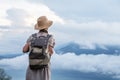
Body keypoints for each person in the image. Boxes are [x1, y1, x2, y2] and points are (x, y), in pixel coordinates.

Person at [22, 16, 55, 80]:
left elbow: (24, 50)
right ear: (47, 27)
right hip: (44, 68)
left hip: (32, 67)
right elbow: (51, 52)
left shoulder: (32, 37)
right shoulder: (50, 37)